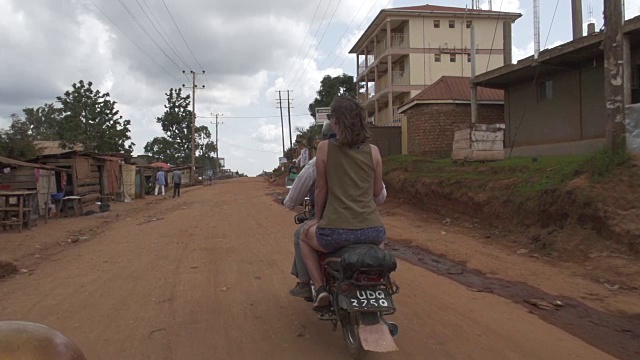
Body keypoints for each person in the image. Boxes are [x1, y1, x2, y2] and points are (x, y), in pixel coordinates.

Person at [300, 96, 386, 311]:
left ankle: (320, 289)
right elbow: (377, 192)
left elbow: (321, 189)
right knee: (380, 253)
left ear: (336, 122)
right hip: (373, 231)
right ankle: (381, 285)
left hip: (335, 232)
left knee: (303, 236)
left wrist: (317, 219)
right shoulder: (374, 151)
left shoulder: (324, 148)